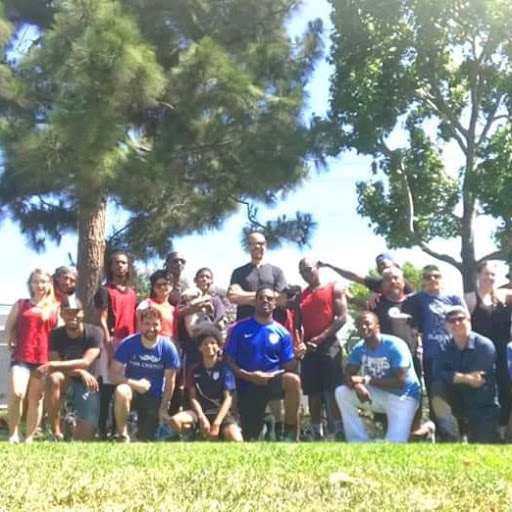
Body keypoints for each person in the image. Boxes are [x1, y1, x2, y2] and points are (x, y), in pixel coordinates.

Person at [224, 286, 301, 441]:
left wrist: (298, 356)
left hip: (271, 381)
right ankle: (267, 423)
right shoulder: (238, 328)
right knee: (251, 438)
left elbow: (288, 366)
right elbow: (228, 360)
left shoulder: (283, 333)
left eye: (269, 299)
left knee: (293, 380)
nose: (265, 301)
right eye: (261, 298)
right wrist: (248, 375)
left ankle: (289, 433)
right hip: (245, 383)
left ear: (275, 304)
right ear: (254, 302)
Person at [335, 311, 421, 442]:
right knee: (342, 392)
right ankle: (357, 440)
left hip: (403, 396)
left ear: (377, 326)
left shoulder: (395, 345)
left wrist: (365, 380)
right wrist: (357, 385)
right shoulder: (359, 348)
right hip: (378, 394)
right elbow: (348, 375)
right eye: (359, 325)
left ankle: (427, 429)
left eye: (367, 323)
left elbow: (400, 381)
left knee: (394, 444)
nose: (363, 327)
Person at [35, 296, 101, 441]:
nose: (72, 316)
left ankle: (69, 426)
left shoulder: (95, 332)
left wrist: (54, 365)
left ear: (82, 313)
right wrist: (79, 371)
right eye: (68, 312)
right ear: (61, 314)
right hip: (65, 380)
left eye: (76, 312)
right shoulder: (55, 334)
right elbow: (55, 363)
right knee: (54, 378)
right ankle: (56, 432)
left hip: (88, 385)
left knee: (85, 437)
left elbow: (86, 361)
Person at [4, 268, 59, 443]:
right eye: (36, 281)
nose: (39, 285)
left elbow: (60, 334)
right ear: (31, 284)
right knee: (17, 393)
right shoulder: (21, 304)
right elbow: (9, 327)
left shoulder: (55, 307)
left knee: (36, 399)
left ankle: (29, 437)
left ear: (49, 284)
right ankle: (13, 433)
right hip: (21, 357)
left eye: (43, 281)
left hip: (43, 360)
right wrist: (10, 338)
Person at [110, 307, 180, 441]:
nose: (151, 328)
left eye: (155, 324)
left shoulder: (168, 348)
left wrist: (163, 408)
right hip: (132, 393)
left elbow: (170, 382)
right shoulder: (128, 343)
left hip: (154, 397)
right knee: (121, 390)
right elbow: (113, 376)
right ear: (140, 325)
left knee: (146, 439)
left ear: (161, 325)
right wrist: (135, 384)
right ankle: (122, 434)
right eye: (147, 324)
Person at [431, 306, 499, 443]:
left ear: (469, 320)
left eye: (460, 319)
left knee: (483, 445)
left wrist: (453, 377)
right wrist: (465, 378)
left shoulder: (484, 345)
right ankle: (452, 435)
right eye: (451, 321)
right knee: (437, 387)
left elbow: (478, 380)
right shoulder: (443, 346)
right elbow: (437, 374)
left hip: (482, 404)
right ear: (446, 326)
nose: (456, 323)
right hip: (456, 399)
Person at [297, 257, 347, 440]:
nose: (306, 274)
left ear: (317, 268)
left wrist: (321, 338)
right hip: (309, 348)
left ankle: (338, 430)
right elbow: (297, 325)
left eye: (308, 269)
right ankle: (316, 431)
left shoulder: (334, 288)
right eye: (302, 271)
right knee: (313, 392)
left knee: (333, 389)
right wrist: (300, 343)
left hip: (329, 345)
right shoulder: (300, 296)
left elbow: (342, 317)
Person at [167, 326, 242, 441]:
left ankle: (219, 436)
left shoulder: (225, 370)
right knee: (175, 421)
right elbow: (192, 397)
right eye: (205, 343)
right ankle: (192, 436)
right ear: (200, 348)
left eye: (212, 343)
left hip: (220, 414)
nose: (209, 346)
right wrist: (202, 417)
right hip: (200, 413)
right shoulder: (194, 370)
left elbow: (228, 399)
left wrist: (217, 423)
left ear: (218, 347)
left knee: (236, 439)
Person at [465, 261, 512, 439]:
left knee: (505, 389)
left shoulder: (504, 295)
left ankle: (501, 431)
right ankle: (475, 430)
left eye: (492, 274)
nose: (489, 277)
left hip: (502, 351)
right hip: (480, 352)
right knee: (480, 389)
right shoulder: (469, 298)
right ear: (478, 275)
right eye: (486, 273)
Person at [94, 250, 137, 439]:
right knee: (107, 386)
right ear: (110, 266)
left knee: (122, 385)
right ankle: (102, 429)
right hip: (110, 340)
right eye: (116, 262)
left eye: (124, 263)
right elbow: (101, 319)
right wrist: (109, 346)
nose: (120, 266)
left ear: (128, 267)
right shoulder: (104, 291)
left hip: (128, 343)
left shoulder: (132, 293)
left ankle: (118, 429)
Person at [406, 265, 466, 398]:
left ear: (442, 278)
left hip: (454, 354)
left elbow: (466, 323)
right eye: (428, 277)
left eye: (436, 276)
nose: (432, 279)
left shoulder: (454, 298)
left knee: (459, 398)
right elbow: (396, 295)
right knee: (435, 397)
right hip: (431, 356)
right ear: (423, 281)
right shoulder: (417, 298)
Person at [228, 231, 287, 321]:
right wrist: (268, 298)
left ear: (266, 246)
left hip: (272, 324)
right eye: (254, 244)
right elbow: (233, 297)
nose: (258, 247)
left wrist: (245, 297)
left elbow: (282, 299)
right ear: (248, 247)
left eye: (261, 244)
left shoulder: (276, 271)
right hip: (246, 323)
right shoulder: (238, 272)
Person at [320, 253, 414, 295]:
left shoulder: (404, 285)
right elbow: (353, 276)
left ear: (394, 264)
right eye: (379, 265)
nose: (381, 267)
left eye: (384, 263)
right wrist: (330, 265)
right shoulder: (377, 283)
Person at [137, 270, 178, 341]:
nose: (162, 287)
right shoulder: (146, 304)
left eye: (165, 284)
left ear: (171, 286)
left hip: (171, 344)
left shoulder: (174, 309)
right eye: (158, 285)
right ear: (153, 288)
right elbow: (139, 329)